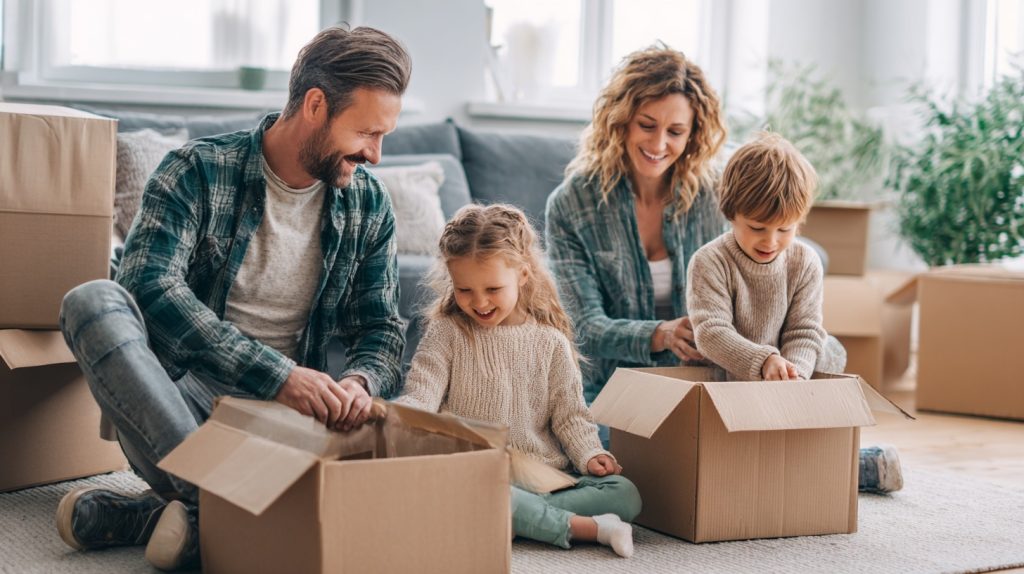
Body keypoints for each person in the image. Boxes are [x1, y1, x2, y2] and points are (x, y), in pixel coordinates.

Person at [54, 25, 412, 571]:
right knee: (91, 302)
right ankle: (228, 508)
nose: (376, 154)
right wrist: (277, 374)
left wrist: (361, 382)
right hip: (180, 399)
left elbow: (381, 329)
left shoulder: (368, 206)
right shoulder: (195, 170)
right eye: (366, 132)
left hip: (287, 425)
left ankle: (174, 512)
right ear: (315, 105)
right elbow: (149, 287)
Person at [394, 204, 642, 557]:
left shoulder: (550, 342)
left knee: (625, 494)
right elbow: (422, 394)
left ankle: (511, 517)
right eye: (464, 290)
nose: (478, 302)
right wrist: (402, 416)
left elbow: (570, 415)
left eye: (493, 288)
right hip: (478, 472)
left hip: (542, 479)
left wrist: (590, 455)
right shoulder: (446, 333)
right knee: (465, 490)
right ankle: (585, 527)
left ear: (523, 275)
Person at [686, 132, 902, 493]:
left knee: (829, 348)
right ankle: (858, 467)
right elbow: (710, 331)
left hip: (785, 387)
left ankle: (834, 460)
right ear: (731, 213)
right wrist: (763, 361)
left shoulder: (804, 262)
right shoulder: (709, 261)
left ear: (800, 220)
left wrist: (793, 379)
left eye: (785, 229)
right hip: (727, 382)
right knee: (735, 463)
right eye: (757, 228)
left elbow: (804, 330)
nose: (770, 241)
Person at [545, 45, 727, 405]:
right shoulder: (572, 205)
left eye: (675, 131)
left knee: (823, 350)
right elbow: (583, 326)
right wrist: (662, 334)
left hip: (707, 378)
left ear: (693, 135)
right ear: (621, 120)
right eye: (647, 125)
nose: (659, 144)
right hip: (613, 387)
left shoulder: (716, 197)